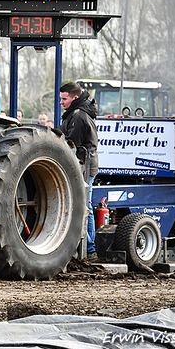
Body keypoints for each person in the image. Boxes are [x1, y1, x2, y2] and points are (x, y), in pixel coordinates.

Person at [59, 81, 99, 261]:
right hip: (84, 164)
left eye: (64, 99)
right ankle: (87, 247)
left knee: (85, 206)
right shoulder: (75, 113)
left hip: (84, 166)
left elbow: (71, 144)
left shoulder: (78, 116)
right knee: (84, 205)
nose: (61, 102)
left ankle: (89, 249)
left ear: (75, 98)